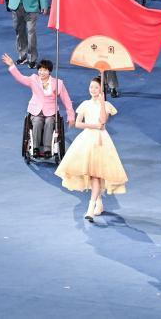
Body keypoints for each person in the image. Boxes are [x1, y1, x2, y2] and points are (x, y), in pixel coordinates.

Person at [54, 76, 128, 222]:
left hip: (101, 142)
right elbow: (78, 123)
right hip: (87, 140)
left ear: (101, 89)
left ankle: (91, 207)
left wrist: (102, 103)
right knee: (93, 174)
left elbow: (103, 121)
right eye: (91, 87)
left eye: (96, 87)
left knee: (96, 175)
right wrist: (93, 126)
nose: (93, 90)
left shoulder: (106, 105)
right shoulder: (85, 104)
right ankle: (98, 203)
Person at [1, 56, 75, 159]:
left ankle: (47, 149)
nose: (41, 72)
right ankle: (35, 148)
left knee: (49, 122)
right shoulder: (33, 79)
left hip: (51, 112)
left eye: (44, 70)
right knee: (37, 122)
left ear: (49, 71)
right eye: (40, 70)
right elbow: (20, 78)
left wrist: (71, 116)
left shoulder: (58, 83)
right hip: (35, 111)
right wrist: (12, 65)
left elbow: (66, 100)